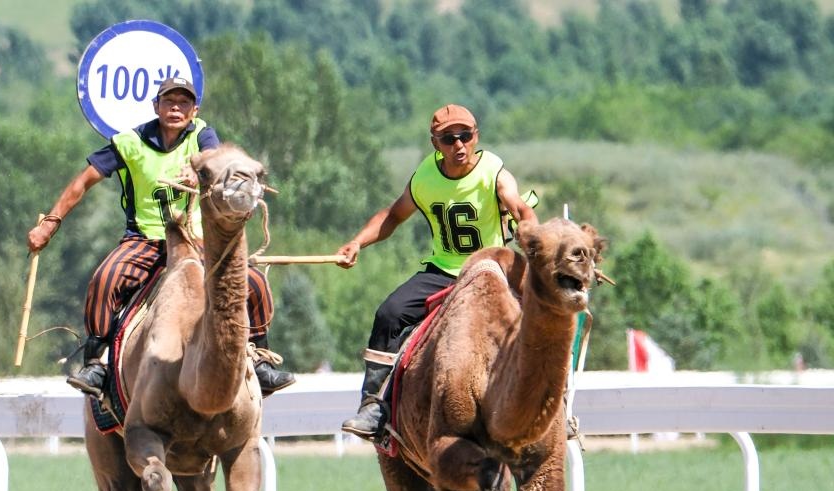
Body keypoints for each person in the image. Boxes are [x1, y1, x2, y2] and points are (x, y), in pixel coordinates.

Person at [27, 76, 294, 397]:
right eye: (169, 101)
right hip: (145, 240)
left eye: (184, 102)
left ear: (194, 110)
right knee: (105, 279)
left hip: (196, 242)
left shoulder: (202, 134)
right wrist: (51, 223)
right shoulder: (130, 143)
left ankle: (261, 359)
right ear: (156, 106)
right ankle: (97, 362)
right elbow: (83, 181)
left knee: (255, 283)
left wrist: (198, 170)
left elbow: (214, 158)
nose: (176, 108)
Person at [335, 103, 538, 438]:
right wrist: (357, 242)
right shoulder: (425, 178)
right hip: (444, 271)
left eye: (465, 136)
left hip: (491, 267)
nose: (458, 144)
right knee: (389, 314)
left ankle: (552, 404)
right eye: (448, 139)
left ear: (476, 137)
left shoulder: (493, 171)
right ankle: (373, 407)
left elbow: (521, 210)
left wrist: (531, 239)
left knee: (546, 306)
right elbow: (393, 216)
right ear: (435, 143)